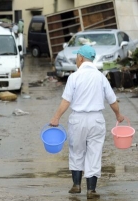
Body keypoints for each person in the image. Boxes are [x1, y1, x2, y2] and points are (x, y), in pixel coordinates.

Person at [49, 45, 124, 199]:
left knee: (76, 151)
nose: (77, 60)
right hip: (96, 119)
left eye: (77, 57)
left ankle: (76, 185)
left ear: (81, 58)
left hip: (78, 119)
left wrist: (56, 117)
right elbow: (112, 100)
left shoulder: (74, 77)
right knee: (94, 153)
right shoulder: (101, 77)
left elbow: (66, 101)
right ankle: (91, 190)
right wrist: (118, 115)